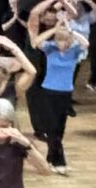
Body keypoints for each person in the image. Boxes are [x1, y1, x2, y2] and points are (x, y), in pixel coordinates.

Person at [32, 21, 89, 174]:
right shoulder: (51, 49)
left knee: (60, 128)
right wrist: (54, 30)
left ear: (69, 41)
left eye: (65, 40)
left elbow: (86, 43)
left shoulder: (74, 51)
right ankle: (60, 162)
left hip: (65, 93)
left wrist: (71, 31)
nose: (62, 43)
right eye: (60, 40)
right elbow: (36, 42)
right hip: (49, 91)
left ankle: (50, 160)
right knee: (52, 128)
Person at [25, 0, 75, 139]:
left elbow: (73, 14)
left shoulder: (57, 27)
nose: (50, 22)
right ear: (43, 17)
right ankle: (39, 130)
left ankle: (50, 128)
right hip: (34, 67)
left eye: (53, 20)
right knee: (35, 99)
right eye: (47, 19)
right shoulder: (35, 26)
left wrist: (63, 1)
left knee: (49, 102)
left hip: (51, 70)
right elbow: (34, 13)